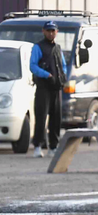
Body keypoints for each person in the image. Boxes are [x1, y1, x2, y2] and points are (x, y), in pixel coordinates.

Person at [29, 21, 68, 158]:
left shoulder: (58, 48)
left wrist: (63, 76)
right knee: (41, 117)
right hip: (43, 88)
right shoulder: (38, 47)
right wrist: (47, 75)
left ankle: (53, 146)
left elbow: (63, 65)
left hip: (56, 88)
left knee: (56, 119)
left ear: (57, 32)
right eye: (48, 31)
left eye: (53, 31)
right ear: (43, 31)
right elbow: (33, 66)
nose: (51, 33)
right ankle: (38, 147)